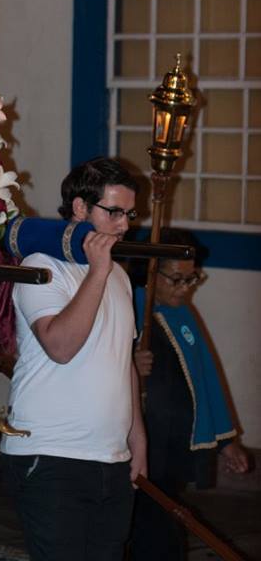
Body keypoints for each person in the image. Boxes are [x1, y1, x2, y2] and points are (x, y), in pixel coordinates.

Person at [0, 156, 147, 561]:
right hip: (51, 454)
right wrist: (97, 272)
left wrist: (137, 438)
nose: (124, 225)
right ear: (80, 208)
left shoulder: (119, 275)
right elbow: (60, 346)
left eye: (129, 215)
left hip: (111, 456)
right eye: (114, 212)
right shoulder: (40, 266)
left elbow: (123, 360)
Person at [131, 229, 250, 560]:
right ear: (151, 272)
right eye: (177, 279)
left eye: (192, 278)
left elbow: (204, 377)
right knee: (152, 525)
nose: (185, 288)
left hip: (173, 444)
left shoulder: (182, 312)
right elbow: (93, 364)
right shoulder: (127, 306)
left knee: (163, 515)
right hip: (141, 443)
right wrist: (128, 366)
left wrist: (226, 441)